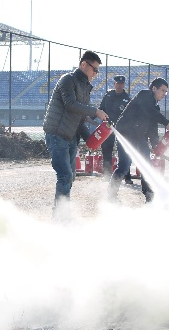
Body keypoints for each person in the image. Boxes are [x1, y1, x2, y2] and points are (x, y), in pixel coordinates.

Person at [43, 50, 108, 220]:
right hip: (57, 134)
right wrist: (96, 111)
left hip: (71, 137)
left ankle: (61, 212)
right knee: (64, 175)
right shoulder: (68, 80)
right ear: (84, 64)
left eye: (97, 71)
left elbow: (80, 118)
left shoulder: (85, 87)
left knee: (70, 176)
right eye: (94, 69)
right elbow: (70, 104)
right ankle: (60, 217)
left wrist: (91, 140)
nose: (96, 74)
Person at [106, 77, 169, 203]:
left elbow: (152, 130)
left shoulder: (156, 108)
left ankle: (149, 195)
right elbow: (149, 111)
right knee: (124, 165)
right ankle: (111, 194)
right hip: (125, 135)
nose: (164, 94)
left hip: (139, 137)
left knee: (146, 165)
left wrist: (156, 147)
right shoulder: (144, 95)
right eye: (163, 90)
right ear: (154, 88)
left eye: (166, 92)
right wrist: (166, 123)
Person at [98, 75, 133, 183]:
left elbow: (130, 115)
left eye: (121, 84)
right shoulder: (108, 95)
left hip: (121, 130)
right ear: (114, 84)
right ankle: (107, 175)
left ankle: (126, 176)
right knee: (106, 151)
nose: (119, 86)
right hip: (107, 128)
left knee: (123, 152)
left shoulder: (127, 98)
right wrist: (90, 116)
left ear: (124, 85)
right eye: (118, 83)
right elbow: (100, 109)